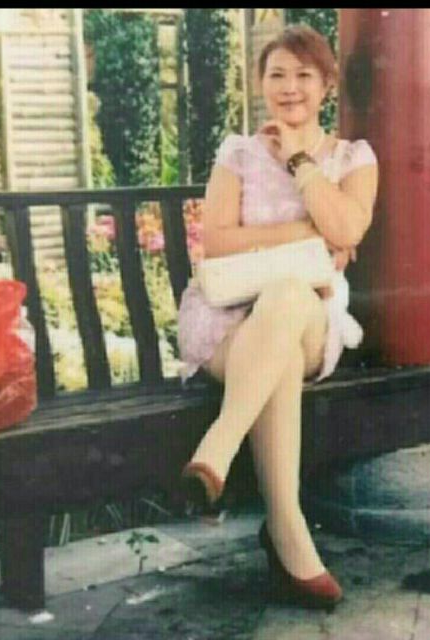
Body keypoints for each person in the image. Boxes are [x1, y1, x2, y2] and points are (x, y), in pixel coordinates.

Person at [176, 25, 379, 609]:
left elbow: (348, 228)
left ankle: (220, 444)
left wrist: (297, 159)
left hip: (311, 317)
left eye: (304, 75)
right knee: (279, 354)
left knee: (289, 297)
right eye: (277, 75)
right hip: (227, 323)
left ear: (327, 84)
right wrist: (305, 234)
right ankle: (287, 531)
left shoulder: (352, 158)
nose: (290, 87)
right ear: (261, 82)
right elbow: (216, 241)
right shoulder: (237, 153)